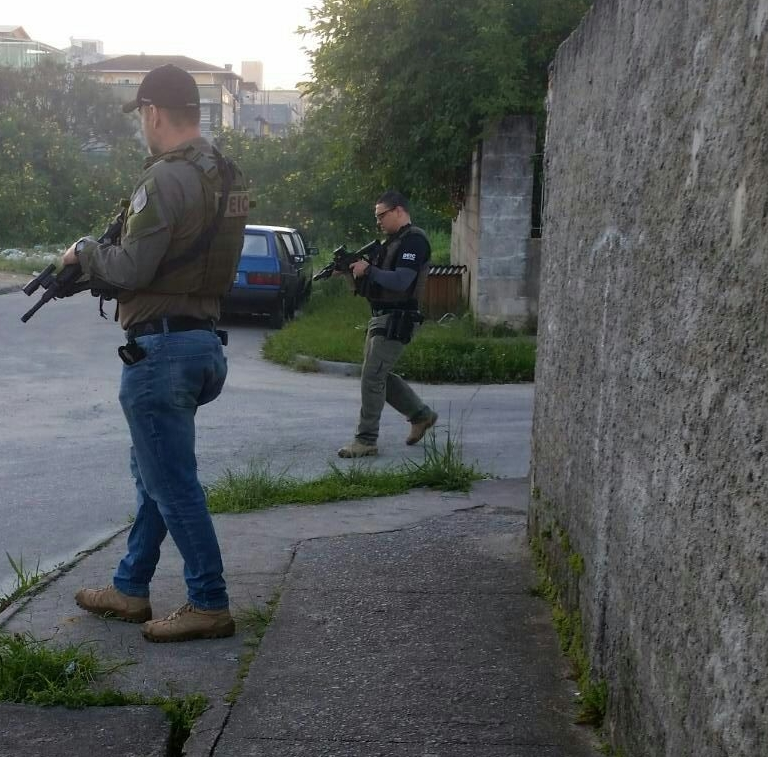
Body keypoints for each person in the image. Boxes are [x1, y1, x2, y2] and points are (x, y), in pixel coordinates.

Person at [64, 64, 249, 642]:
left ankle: (208, 601)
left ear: (153, 112)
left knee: (171, 482)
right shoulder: (224, 174)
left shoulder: (165, 179)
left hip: (160, 351)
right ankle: (130, 587)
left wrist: (86, 254)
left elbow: (133, 267)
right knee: (155, 472)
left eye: (141, 115)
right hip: (202, 344)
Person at [338, 190, 438, 458]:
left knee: (373, 376)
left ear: (398, 211)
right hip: (382, 316)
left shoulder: (414, 241)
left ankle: (366, 439)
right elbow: (375, 285)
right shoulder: (391, 242)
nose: (378, 221)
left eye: (381, 215)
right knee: (377, 374)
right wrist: (351, 272)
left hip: (399, 317)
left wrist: (369, 269)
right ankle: (421, 415)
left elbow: (401, 281)